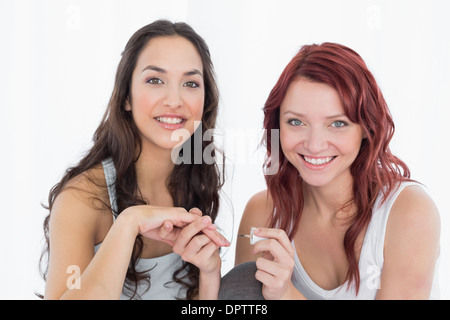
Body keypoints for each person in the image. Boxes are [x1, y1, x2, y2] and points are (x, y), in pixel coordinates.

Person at [232, 42, 440, 300]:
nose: (315, 144)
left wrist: (286, 295)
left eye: (337, 123)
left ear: (366, 128)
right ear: (277, 126)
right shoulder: (262, 212)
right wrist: (209, 274)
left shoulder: (407, 211)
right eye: (296, 122)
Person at [40, 20, 230, 300]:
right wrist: (129, 223)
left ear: (206, 100)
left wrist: (210, 275)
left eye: (190, 83)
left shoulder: (196, 181)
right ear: (126, 96)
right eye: (155, 80)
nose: (174, 100)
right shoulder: (81, 199)